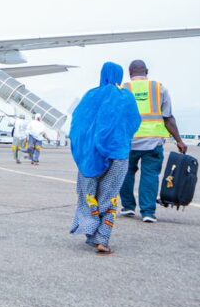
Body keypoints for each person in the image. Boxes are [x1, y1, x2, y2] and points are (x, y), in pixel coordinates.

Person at [69, 62, 141, 254]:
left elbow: (77, 125)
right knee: (109, 197)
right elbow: (135, 123)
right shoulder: (126, 97)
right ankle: (103, 239)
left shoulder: (90, 96)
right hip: (118, 156)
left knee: (88, 196)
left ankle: (89, 228)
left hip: (89, 158)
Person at [119, 60, 188, 223]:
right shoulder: (159, 88)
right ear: (147, 71)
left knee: (126, 173)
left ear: (129, 72)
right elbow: (168, 118)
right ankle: (148, 212)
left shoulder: (122, 90)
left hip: (128, 141)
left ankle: (128, 206)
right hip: (153, 142)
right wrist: (179, 140)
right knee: (150, 175)